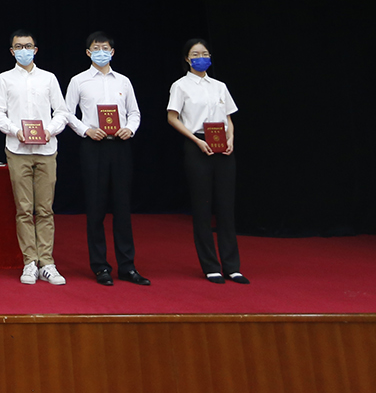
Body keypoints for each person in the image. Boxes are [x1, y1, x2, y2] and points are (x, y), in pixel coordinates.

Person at [65, 31, 148, 286]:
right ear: (88, 52)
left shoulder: (123, 81)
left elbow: (134, 113)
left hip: (120, 146)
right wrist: (86, 130)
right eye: (96, 48)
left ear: (112, 52)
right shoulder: (79, 81)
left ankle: (127, 266)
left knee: (122, 207)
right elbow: (67, 113)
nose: (101, 52)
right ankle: (100, 266)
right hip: (93, 146)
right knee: (96, 207)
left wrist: (130, 128)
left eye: (105, 48)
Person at [0, 29, 72, 285]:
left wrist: (50, 130)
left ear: (35, 50)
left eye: (28, 46)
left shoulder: (48, 78)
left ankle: (47, 262)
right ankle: (30, 262)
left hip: (46, 150)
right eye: (18, 46)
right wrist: (15, 131)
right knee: (24, 209)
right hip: (18, 150)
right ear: (12, 51)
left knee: (45, 209)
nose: (23, 50)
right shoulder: (4, 79)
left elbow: (62, 111)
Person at [167, 38, 247, 284]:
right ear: (187, 59)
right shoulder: (180, 86)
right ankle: (211, 265)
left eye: (204, 53)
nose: (200, 57)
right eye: (195, 54)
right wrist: (196, 140)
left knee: (226, 207)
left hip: (223, 145)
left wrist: (231, 139)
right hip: (198, 143)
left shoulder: (219, 86)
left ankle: (232, 266)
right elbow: (172, 117)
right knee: (202, 207)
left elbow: (229, 117)